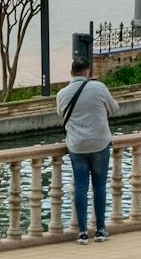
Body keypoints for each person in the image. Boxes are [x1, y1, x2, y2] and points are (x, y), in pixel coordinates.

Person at [56, 57, 118, 244]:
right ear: (86, 72)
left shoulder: (62, 94)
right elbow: (114, 109)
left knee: (80, 187)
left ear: (71, 73)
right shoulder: (99, 88)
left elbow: (61, 114)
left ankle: (82, 232)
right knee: (99, 187)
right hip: (100, 144)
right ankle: (100, 230)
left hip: (77, 146)